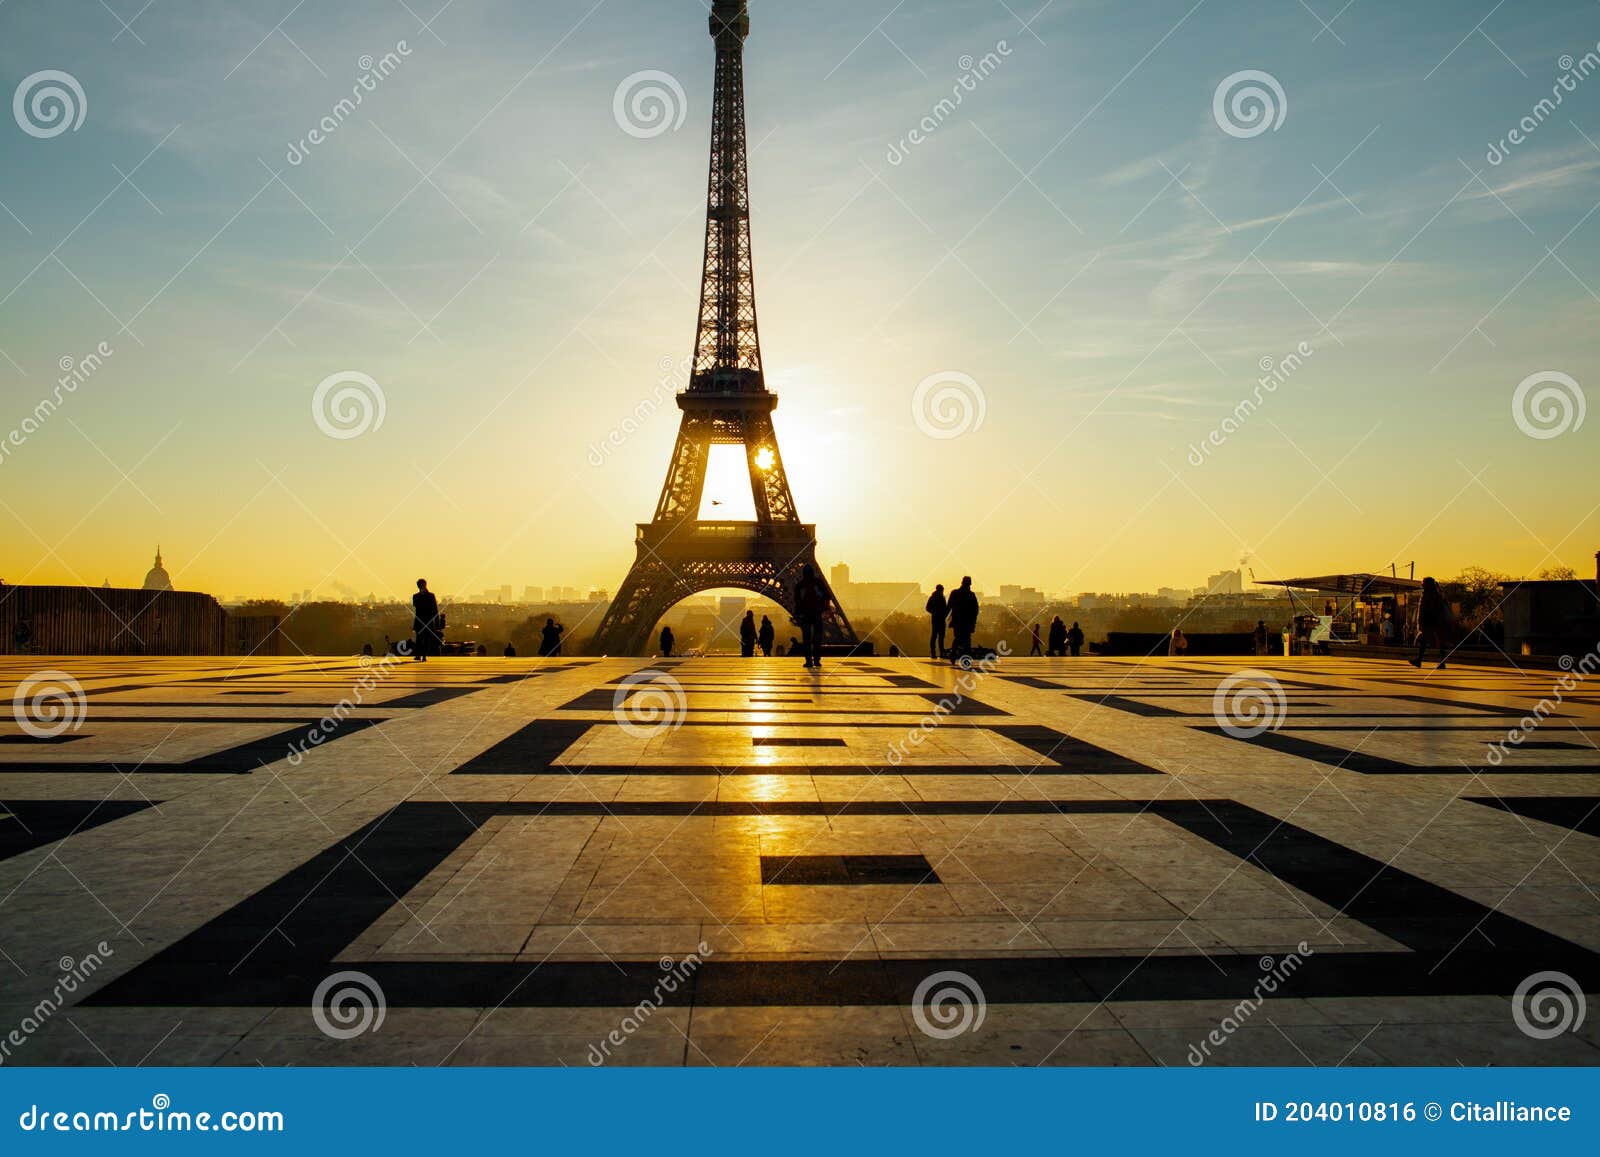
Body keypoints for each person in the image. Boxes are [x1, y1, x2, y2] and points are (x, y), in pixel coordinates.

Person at [1410, 576, 1452, 669]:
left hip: (1429, 623)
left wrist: (1423, 622)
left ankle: (1420, 660)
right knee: (1432, 642)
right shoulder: (1436, 595)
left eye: (1423, 583)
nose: (1422, 584)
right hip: (1434, 623)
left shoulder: (1428, 595)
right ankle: (1422, 660)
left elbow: (1426, 610)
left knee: (1426, 641)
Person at [793, 564, 829, 669]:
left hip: (806, 614)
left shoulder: (800, 585)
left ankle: (809, 660)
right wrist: (823, 607)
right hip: (816, 613)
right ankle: (816, 660)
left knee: (806, 639)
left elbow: (797, 601)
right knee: (817, 638)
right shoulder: (818, 583)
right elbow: (826, 596)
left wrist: (798, 613)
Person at [947, 576, 979, 661]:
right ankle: (965, 658)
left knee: (958, 638)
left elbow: (949, 606)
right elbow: (975, 609)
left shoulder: (955, 593)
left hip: (957, 620)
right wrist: (973, 620)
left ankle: (953, 654)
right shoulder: (971, 595)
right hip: (967, 621)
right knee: (967, 640)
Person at [412, 579, 439, 662]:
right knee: (419, 638)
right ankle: (419, 655)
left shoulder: (430, 595)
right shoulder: (416, 596)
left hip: (426, 619)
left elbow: (434, 608)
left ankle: (423, 655)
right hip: (422, 619)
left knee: (426, 638)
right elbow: (416, 605)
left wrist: (436, 620)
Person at [925, 584, 948, 659]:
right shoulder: (940, 597)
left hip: (936, 618)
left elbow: (928, 608)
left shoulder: (933, 597)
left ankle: (934, 652)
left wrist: (934, 612)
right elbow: (928, 608)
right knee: (939, 636)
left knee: (935, 636)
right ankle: (940, 652)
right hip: (940, 619)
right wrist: (938, 613)